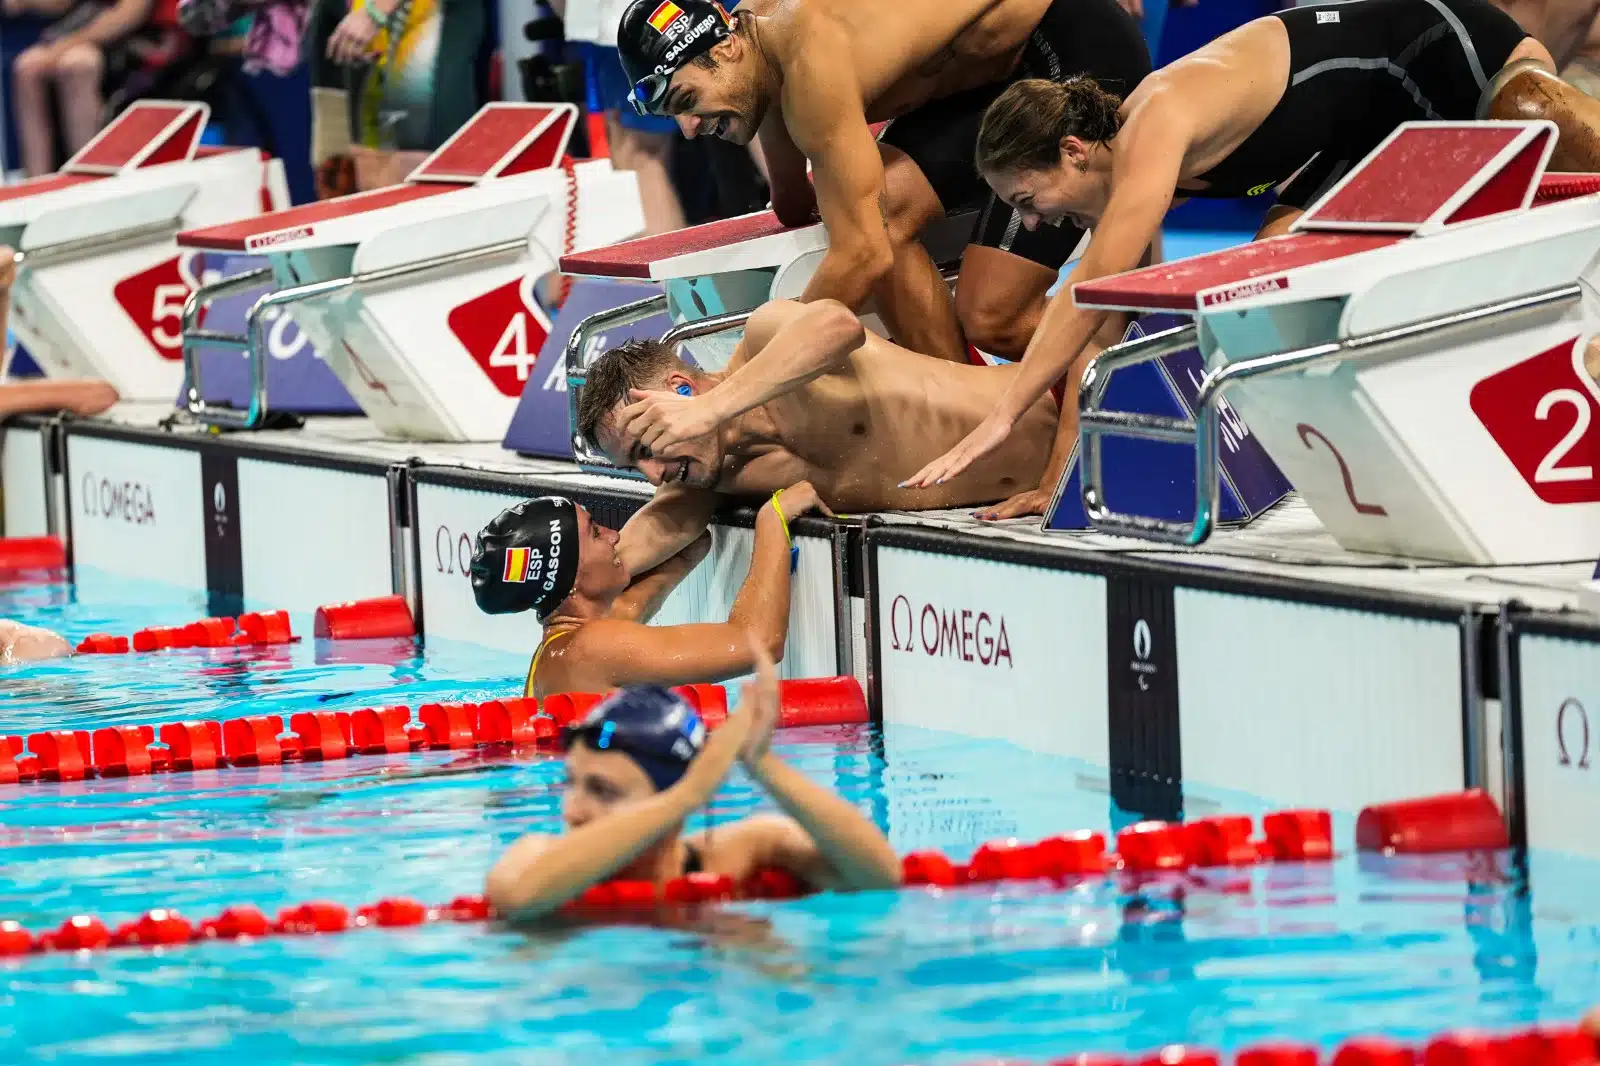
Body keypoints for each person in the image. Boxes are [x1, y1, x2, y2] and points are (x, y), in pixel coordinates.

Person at [901, 0, 1600, 519]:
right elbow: (1102, 345)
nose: (1030, 222)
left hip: (1436, 43)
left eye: (1027, 198)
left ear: (1074, 152)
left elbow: (1088, 291)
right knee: (1275, 278)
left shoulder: (1156, 126)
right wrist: (1057, 489)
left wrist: (1000, 418)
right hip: (1362, 131)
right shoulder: (1125, 181)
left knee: (1543, 115)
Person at [612, 0, 1150, 363]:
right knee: (881, 210)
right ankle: (966, 404)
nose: (687, 129)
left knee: (993, 318)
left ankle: (1148, 368)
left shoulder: (808, 67)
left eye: (686, 101)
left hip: (1072, 47)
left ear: (726, 49)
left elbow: (861, 256)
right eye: (670, 115)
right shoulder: (757, 58)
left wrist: (741, 376)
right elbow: (797, 204)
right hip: (995, 78)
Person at [578, 298, 1059, 574]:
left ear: (679, 390)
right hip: (1058, 494)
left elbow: (838, 326)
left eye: (646, 446)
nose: (655, 476)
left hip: (1071, 406)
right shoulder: (717, 475)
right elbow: (621, 558)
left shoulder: (766, 342)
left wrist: (709, 410)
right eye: (633, 467)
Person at [483, 636, 901, 921]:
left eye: (602, 790)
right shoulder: (533, 858)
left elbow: (879, 878)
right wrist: (687, 796)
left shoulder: (741, 852)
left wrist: (764, 766)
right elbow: (518, 898)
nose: (571, 810)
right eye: (570, 783)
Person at [469, 484, 828, 698]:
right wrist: (774, 518)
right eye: (595, 532)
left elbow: (689, 548)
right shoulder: (592, 650)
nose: (614, 535)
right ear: (571, 580)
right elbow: (759, 643)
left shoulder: (561, 650)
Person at [9, 0, 188, 177]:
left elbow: (127, 16)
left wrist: (63, 47)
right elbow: (61, 4)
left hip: (135, 39)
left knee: (77, 65)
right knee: (27, 67)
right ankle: (37, 177)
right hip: (79, 33)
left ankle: (86, 174)